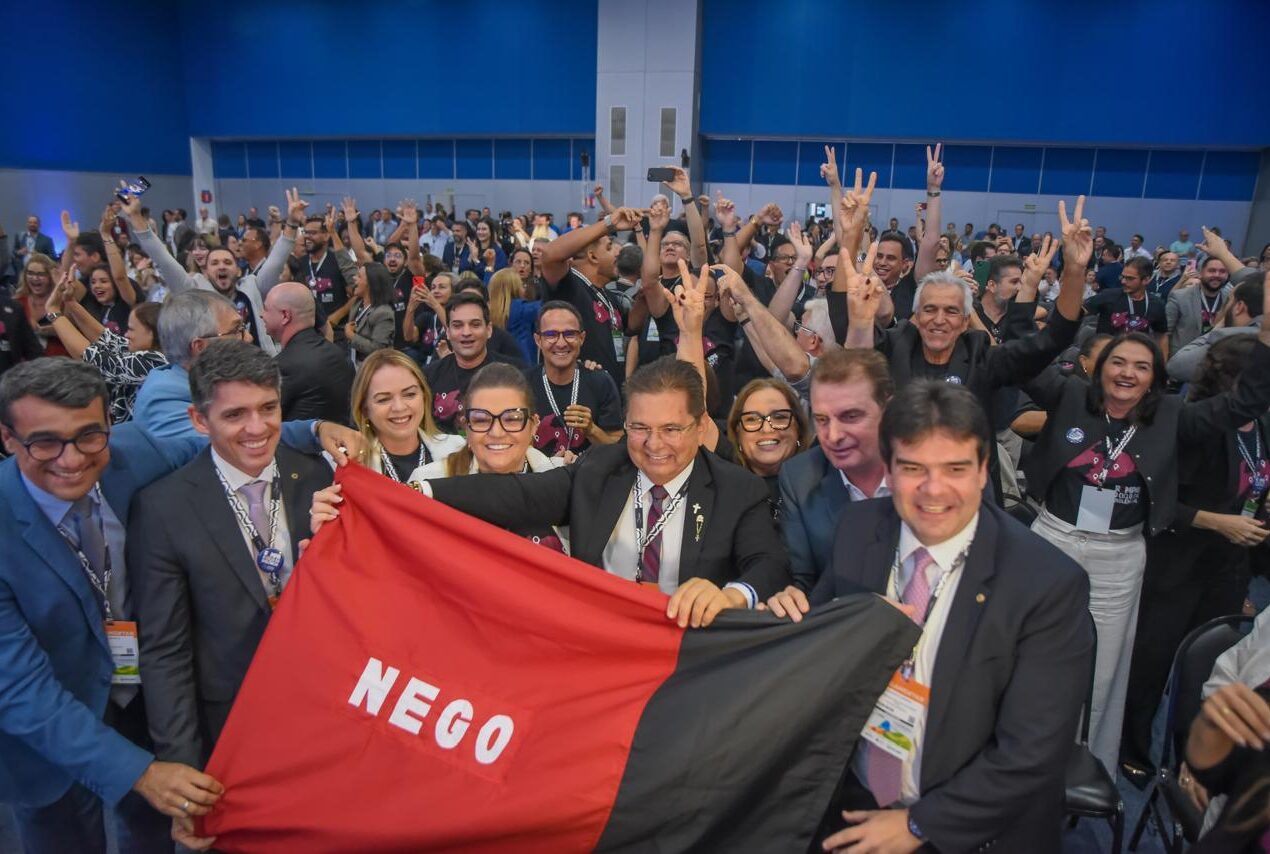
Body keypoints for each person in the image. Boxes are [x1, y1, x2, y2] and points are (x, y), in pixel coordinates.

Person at [766, 380, 1093, 854]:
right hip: (852, 800)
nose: (933, 490)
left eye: (955, 468)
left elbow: (1031, 753)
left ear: (984, 471)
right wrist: (793, 616)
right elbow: (826, 646)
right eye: (913, 468)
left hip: (966, 828)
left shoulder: (1047, 584)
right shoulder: (859, 529)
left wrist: (920, 825)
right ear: (889, 469)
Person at [312, 354, 792, 624]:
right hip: (594, 641)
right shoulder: (601, 468)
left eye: (672, 429)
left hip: (684, 651)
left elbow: (768, 563)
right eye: (640, 428)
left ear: (701, 425)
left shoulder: (736, 489)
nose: (654, 445)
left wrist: (733, 596)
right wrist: (398, 500)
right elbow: (515, 496)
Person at [1022, 270, 1270, 777]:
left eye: (1141, 365)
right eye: (1118, 362)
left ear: (1156, 376)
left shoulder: (1177, 417)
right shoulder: (1069, 396)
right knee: (1030, 650)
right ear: (1099, 369)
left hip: (1118, 556)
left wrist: (1267, 339)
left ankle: (1086, 760)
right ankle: (1021, 748)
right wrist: (1046, 288)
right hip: (1051, 542)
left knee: (1104, 667)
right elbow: (1024, 361)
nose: (1128, 373)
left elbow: (1244, 404)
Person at [0, 359, 225, 853]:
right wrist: (139, 773)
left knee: (149, 835)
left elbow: (222, 442)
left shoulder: (134, 453)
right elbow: (20, 690)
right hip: (45, 739)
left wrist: (312, 429)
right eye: (44, 442)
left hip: (142, 702)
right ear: (7, 438)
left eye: (88, 436)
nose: (71, 458)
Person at [129, 341, 333, 775]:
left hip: (322, 704)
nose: (257, 428)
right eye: (235, 415)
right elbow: (166, 650)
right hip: (229, 720)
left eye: (268, 408)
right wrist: (181, 762)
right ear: (199, 420)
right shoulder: (163, 508)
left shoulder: (317, 474)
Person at [841, 208, 1079, 502]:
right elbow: (853, 367)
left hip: (969, 497)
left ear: (966, 321)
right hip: (900, 489)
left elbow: (1051, 340)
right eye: (929, 309)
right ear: (916, 316)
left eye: (951, 311)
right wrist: (860, 317)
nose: (939, 319)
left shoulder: (982, 357)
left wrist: (1075, 270)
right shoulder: (897, 344)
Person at [1121, 334, 1268, 781]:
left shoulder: (1261, 426)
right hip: (1178, 566)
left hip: (1228, 568)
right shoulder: (1191, 425)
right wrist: (1220, 522)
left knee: (1209, 671)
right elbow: (1159, 504)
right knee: (1153, 663)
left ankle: (1191, 759)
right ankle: (1133, 748)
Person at [124, 190, 298, 356]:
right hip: (215, 373)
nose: (222, 266)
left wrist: (291, 222)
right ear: (205, 271)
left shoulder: (253, 286)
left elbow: (276, 260)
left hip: (260, 368)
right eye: (214, 263)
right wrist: (135, 217)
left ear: (238, 270)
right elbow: (163, 259)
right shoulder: (193, 291)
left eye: (228, 262)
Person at [417, 363, 569, 549]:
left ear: (534, 425)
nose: (496, 432)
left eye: (512, 419)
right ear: (466, 426)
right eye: (481, 420)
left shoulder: (564, 480)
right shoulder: (428, 482)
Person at [778, 348, 893, 592]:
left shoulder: (933, 469)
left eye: (850, 416)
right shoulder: (799, 478)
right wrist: (789, 598)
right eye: (822, 420)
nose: (833, 436)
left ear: (888, 410)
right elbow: (802, 581)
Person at [539, 204, 644, 389]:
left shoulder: (607, 295)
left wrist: (647, 291)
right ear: (593, 257)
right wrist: (609, 223)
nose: (618, 252)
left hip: (609, 395)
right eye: (610, 247)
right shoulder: (569, 286)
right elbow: (549, 254)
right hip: (578, 397)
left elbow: (632, 327)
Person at [43, 277, 165, 423]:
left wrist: (54, 312)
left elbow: (90, 358)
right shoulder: (144, 351)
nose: (126, 334)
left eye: (132, 330)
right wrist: (70, 302)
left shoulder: (156, 361)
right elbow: (106, 338)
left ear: (152, 332)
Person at [347, 348, 463, 484]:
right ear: (364, 409)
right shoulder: (349, 462)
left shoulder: (457, 449)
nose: (399, 407)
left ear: (424, 397)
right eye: (384, 399)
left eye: (410, 394)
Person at [527, 301, 623, 457]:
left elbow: (618, 449)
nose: (561, 343)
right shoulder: (523, 385)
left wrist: (592, 430)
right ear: (538, 340)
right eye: (551, 335)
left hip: (590, 478)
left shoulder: (601, 382)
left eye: (569, 334)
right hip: (537, 478)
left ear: (582, 338)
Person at [423, 291, 524, 433]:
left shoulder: (514, 373)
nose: (466, 332)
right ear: (448, 332)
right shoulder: (429, 375)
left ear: (488, 330)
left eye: (475, 325)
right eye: (457, 325)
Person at [263, 282, 354, 423]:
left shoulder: (281, 367)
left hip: (302, 443)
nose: (261, 315)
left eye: (266, 309)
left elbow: (266, 422)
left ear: (285, 316)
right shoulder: (339, 355)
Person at [724, 377, 810, 515]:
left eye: (779, 417)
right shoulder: (722, 491)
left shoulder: (821, 487)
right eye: (752, 419)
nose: (767, 429)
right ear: (737, 433)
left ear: (798, 428)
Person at [1169, 275, 1264, 383]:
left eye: (1229, 300)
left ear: (1239, 307)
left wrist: (1217, 328)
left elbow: (1177, 366)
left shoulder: (1230, 340)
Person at [1084, 256, 1169, 354]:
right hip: (1106, 355)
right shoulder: (1108, 295)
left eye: (1130, 278)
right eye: (1123, 277)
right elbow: (1082, 311)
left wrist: (1162, 364)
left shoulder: (1157, 304)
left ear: (1146, 280)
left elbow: (1162, 335)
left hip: (1136, 357)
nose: (1123, 281)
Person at [1167, 255, 1232, 353]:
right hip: (1183, 358)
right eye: (1212, 270)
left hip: (1216, 359)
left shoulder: (1231, 299)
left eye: (1222, 272)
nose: (1217, 275)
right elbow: (1165, 333)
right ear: (1201, 273)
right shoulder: (1179, 297)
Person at [343, 261, 396, 367]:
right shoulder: (357, 304)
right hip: (353, 363)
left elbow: (378, 350)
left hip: (372, 368)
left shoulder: (384, 313)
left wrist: (351, 336)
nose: (354, 278)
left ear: (371, 283)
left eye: (359, 276)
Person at [16, 253, 70, 356]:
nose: (35, 278)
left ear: (51, 277)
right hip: (27, 365)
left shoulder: (62, 301)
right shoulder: (18, 302)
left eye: (41, 274)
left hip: (60, 363)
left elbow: (74, 332)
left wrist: (54, 330)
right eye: (30, 273)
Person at [489, 267, 541, 364]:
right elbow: (550, 304)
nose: (524, 288)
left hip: (496, 366)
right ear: (514, 288)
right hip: (522, 366)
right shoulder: (523, 309)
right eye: (521, 284)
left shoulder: (486, 313)